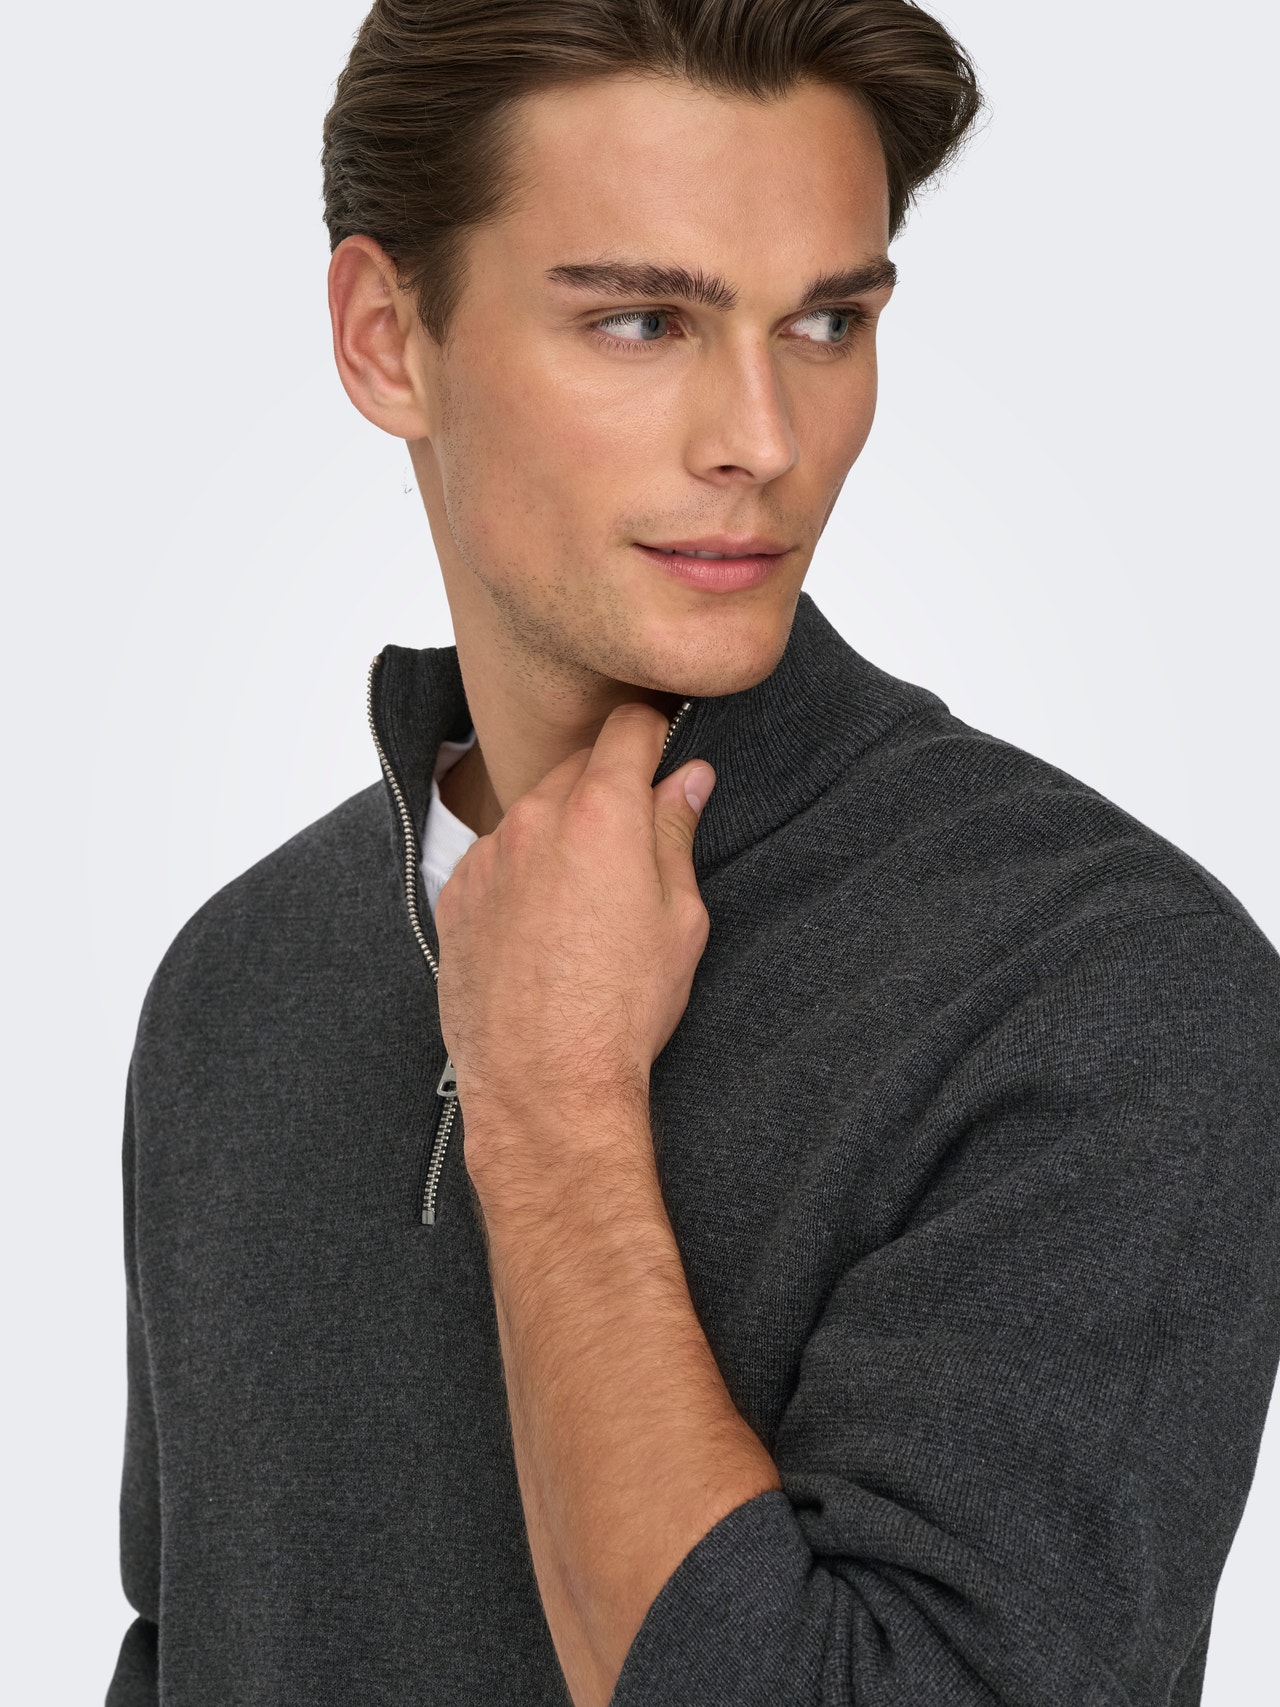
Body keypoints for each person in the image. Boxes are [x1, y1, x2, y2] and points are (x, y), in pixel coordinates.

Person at [107, 3, 1280, 1704]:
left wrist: (557, 1116)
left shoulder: (1102, 992)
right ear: (386, 339)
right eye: (644, 320)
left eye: (826, 322)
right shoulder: (243, 978)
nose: (765, 439)